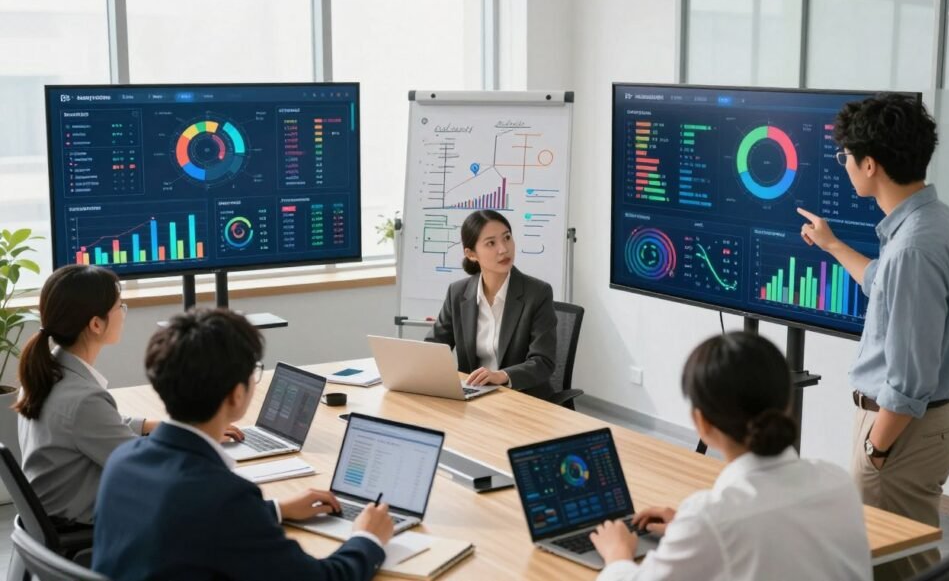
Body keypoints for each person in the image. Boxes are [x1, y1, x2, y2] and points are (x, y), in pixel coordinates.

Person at [798, 94, 949, 579]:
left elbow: (909, 377)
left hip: (900, 430)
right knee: (899, 560)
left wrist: (875, 450)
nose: (845, 165)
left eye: (846, 156)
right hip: (916, 426)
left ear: (870, 164)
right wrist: (833, 245)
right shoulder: (936, 221)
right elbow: (882, 282)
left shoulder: (913, 248)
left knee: (895, 567)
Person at [91, 308, 393, 581]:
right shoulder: (224, 498)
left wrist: (276, 509)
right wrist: (367, 539)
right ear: (236, 395)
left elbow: (190, 521)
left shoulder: (123, 461)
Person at [590, 332, 872, 581]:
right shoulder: (838, 483)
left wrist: (617, 553)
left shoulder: (710, 517)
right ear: (787, 402)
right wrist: (687, 531)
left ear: (701, 422)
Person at [15, 264, 242, 527]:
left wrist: (161, 426)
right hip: (88, 526)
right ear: (96, 324)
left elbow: (100, 427)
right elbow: (148, 467)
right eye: (119, 306)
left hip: (58, 516)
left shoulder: (46, 375)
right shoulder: (83, 400)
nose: (124, 313)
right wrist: (200, 439)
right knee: (209, 502)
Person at [426, 209, 557, 396]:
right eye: (491, 243)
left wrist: (502, 376)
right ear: (471, 254)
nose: (503, 249)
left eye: (507, 238)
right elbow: (434, 347)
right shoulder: (458, 293)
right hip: (475, 394)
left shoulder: (537, 293)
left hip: (522, 396)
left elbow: (543, 362)